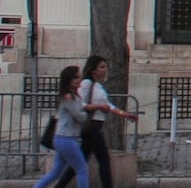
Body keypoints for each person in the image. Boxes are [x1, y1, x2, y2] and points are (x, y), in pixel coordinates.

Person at [53, 55, 138, 188]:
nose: (105, 70)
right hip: (91, 126)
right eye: (102, 67)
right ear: (94, 70)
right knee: (103, 158)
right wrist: (98, 107)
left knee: (81, 160)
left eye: (105, 67)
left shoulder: (97, 86)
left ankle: (59, 186)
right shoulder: (86, 84)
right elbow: (80, 104)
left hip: (95, 125)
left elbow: (108, 105)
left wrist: (124, 114)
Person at [33, 65, 103, 188]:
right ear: (69, 79)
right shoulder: (68, 97)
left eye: (80, 76)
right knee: (82, 168)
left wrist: (89, 109)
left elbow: (80, 109)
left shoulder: (74, 95)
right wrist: (89, 112)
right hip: (66, 139)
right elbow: (79, 116)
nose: (79, 79)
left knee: (56, 172)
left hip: (67, 138)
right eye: (76, 77)